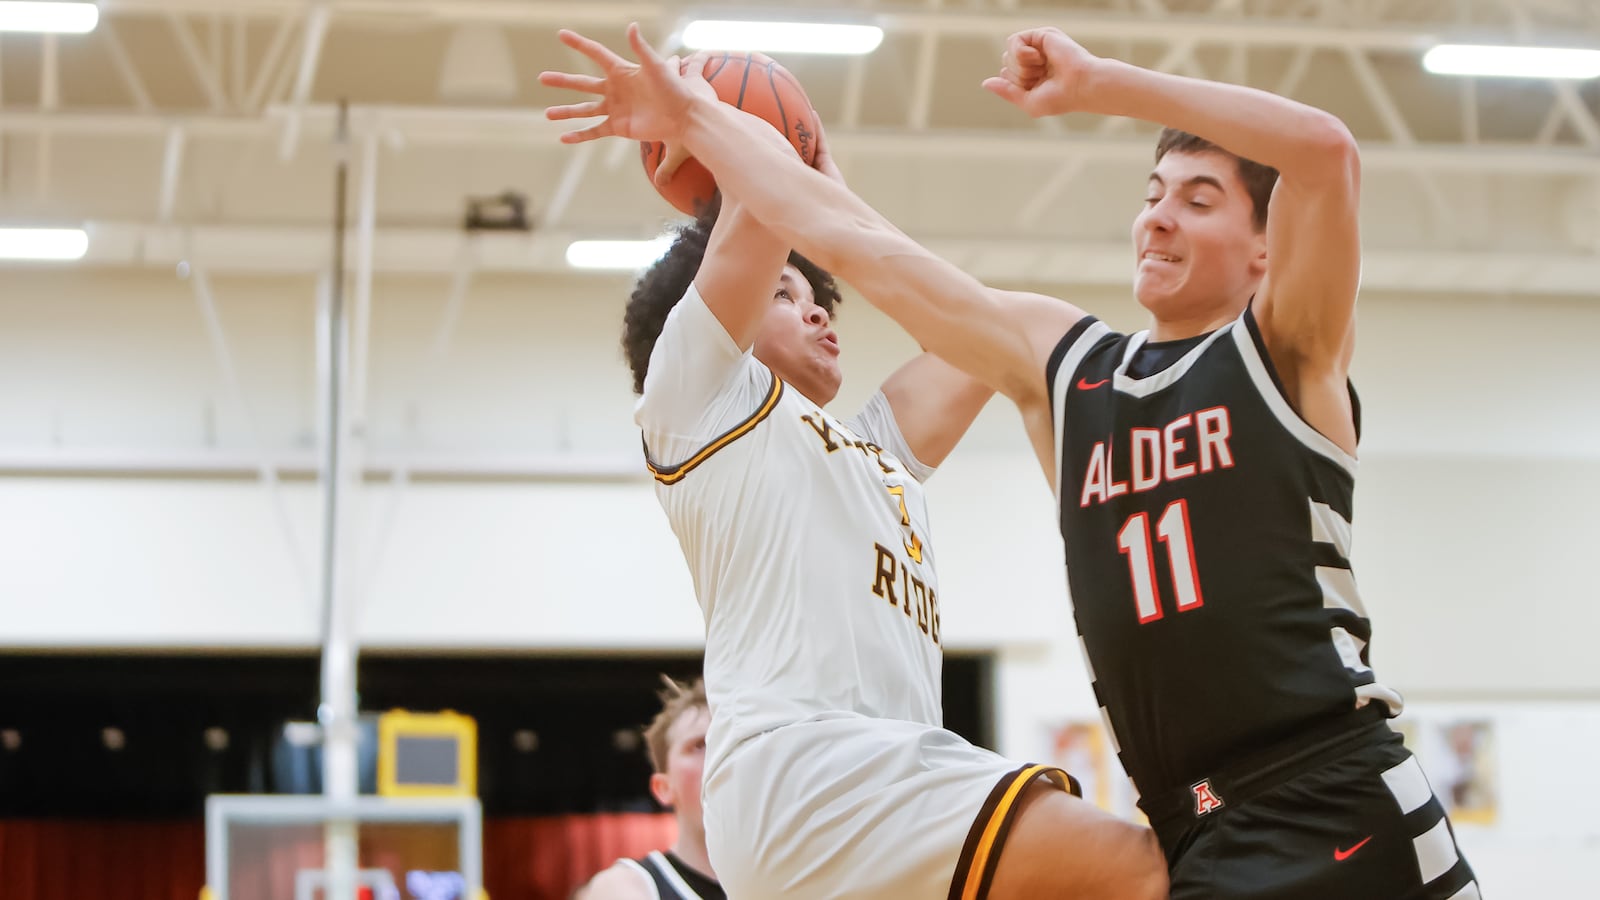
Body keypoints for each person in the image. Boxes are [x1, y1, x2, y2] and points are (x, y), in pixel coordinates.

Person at [542, 23, 1480, 900]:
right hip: (827, 775)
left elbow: (1324, 151)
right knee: (1133, 874)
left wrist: (1096, 83)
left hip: (1302, 788)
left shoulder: (1281, 357)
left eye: (1196, 200)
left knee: (1146, 873)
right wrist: (714, 124)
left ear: (1269, 253)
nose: (1156, 219)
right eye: (1152, 196)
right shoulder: (1057, 370)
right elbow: (865, 256)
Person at [541, 41, 1168, 900]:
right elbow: (768, 212)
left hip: (873, 794)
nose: (820, 316)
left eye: (819, 300)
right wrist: (722, 123)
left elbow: (992, 325)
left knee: (1030, 327)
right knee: (1145, 871)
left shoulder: (878, 450)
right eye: (786, 297)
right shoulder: (694, 399)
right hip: (807, 773)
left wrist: (832, 189)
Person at [573, 677, 723, 900]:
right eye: (699, 745)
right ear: (663, 787)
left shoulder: (783, 879)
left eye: (724, 742)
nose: (717, 756)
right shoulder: (627, 887)